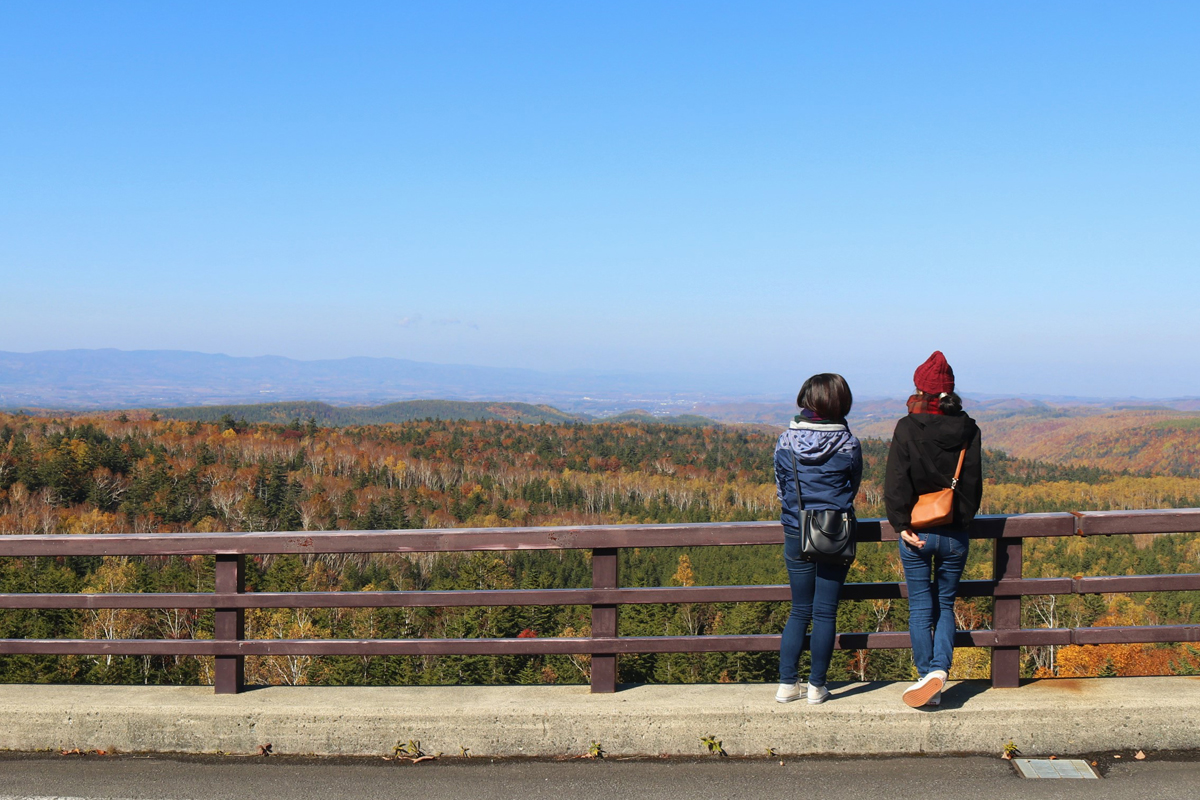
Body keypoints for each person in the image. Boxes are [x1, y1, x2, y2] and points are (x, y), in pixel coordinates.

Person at [884, 351, 983, 708]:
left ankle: (928, 675)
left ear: (920, 390)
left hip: (917, 532)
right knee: (944, 603)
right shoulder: (969, 429)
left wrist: (900, 523)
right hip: (954, 532)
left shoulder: (907, 426)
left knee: (920, 608)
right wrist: (962, 522)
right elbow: (973, 484)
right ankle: (938, 671)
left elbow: (896, 481)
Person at [774, 373, 862, 704]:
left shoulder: (785, 441)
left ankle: (787, 685)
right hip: (834, 531)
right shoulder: (849, 444)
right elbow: (852, 487)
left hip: (795, 530)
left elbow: (782, 488)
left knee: (799, 610)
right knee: (825, 612)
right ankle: (816, 687)